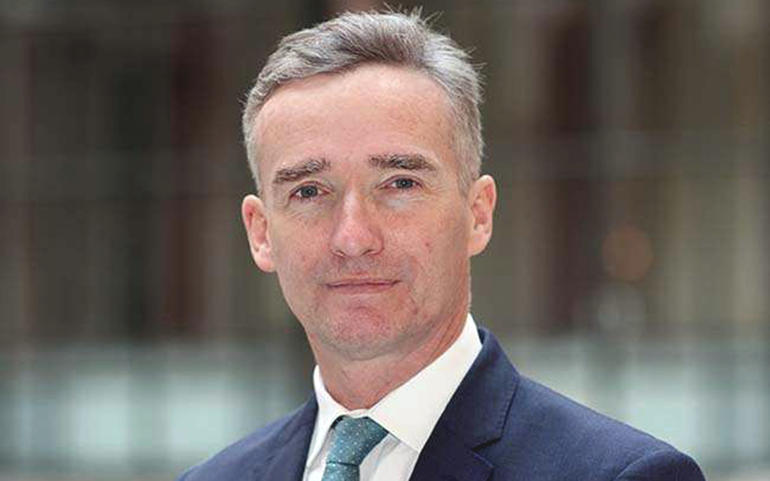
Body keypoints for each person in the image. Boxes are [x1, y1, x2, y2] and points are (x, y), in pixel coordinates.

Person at [178, 9, 706, 481]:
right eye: (309, 191)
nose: (353, 238)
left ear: (478, 214)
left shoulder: (621, 475)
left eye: (400, 184)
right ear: (261, 233)